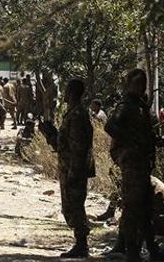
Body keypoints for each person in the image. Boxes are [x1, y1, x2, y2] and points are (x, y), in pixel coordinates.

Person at [105, 69, 164, 261]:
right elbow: (110, 126)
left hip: (142, 162)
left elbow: (145, 134)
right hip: (132, 162)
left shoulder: (140, 105)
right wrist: (132, 141)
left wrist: (157, 140)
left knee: (145, 207)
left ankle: (150, 248)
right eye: (137, 82)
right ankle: (131, 250)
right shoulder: (127, 105)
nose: (141, 86)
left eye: (143, 82)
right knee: (133, 207)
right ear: (129, 84)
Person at [52, 79, 95, 258]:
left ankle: (82, 244)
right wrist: (49, 134)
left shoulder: (77, 115)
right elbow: (64, 144)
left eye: (66, 91)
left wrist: (73, 172)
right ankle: (80, 242)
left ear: (71, 93)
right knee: (70, 205)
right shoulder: (72, 114)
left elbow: (78, 147)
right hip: (69, 167)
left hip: (74, 168)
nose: (63, 94)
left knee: (75, 205)